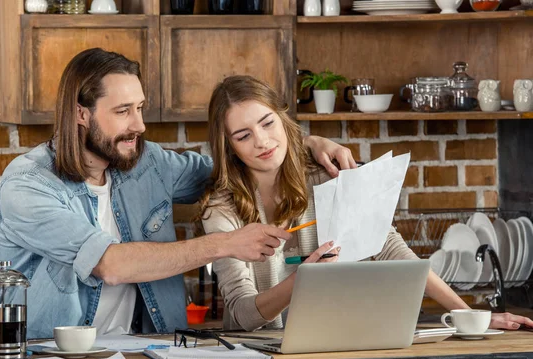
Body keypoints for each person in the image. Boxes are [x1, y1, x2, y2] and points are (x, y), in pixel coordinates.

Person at [0, 48, 357, 338]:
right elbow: (110, 265)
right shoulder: (27, 186)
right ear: (81, 114)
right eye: (122, 111)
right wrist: (224, 243)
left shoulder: (149, 162)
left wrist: (304, 143)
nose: (139, 124)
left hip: (151, 351)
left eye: (140, 108)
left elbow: (238, 160)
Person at [200, 75, 533, 332]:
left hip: (338, 340)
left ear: (283, 120)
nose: (262, 141)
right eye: (243, 136)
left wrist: (468, 316)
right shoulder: (221, 209)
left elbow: (391, 250)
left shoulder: (328, 175)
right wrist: (301, 280)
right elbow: (243, 314)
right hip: (255, 357)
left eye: (267, 123)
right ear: (228, 147)